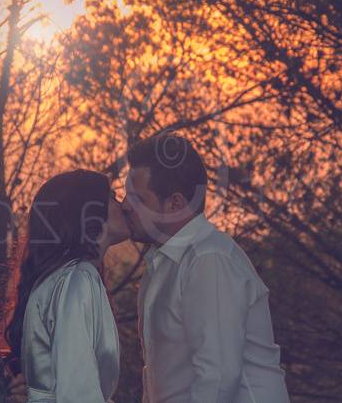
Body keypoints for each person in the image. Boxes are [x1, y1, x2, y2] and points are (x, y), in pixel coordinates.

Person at [122, 133, 290, 403]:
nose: (125, 206)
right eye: (125, 196)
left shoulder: (208, 259)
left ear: (175, 204)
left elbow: (218, 378)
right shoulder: (163, 264)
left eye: (139, 199)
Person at [4, 169, 130, 403]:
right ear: (89, 212)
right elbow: (79, 394)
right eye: (111, 197)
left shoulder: (68, 277)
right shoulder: (76, 279)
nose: (122, 205)